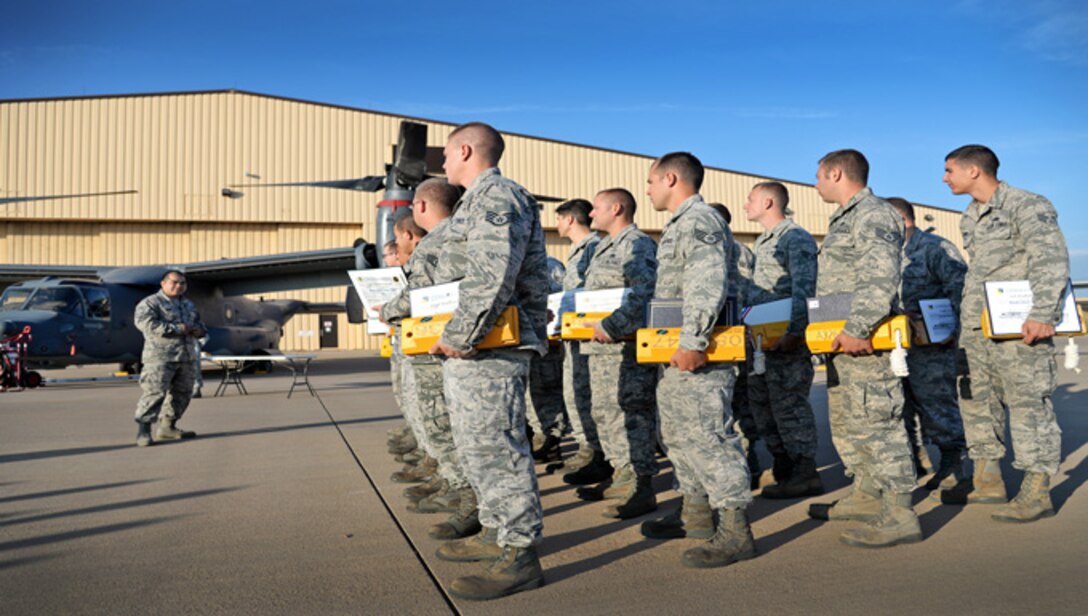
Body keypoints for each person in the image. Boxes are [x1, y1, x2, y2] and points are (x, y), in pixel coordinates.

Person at [427, 122, 547, 600]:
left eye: (446, 154)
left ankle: (520, 555)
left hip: (490, 348)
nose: (442, 163)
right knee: (478, 447)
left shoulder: (497, 197)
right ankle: (498, 533)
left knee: (497, 449)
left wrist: (458, 335)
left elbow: (491, 276)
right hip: (478, 346)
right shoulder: (475, 201)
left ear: (465, 149)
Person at [638, 152, 756, 569]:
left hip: (697, 352)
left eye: (651, 181)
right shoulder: (679, 224)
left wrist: (694, 340)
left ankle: (736, 531)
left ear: (670, 178)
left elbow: (708, 284)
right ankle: (696, 513)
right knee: (680, 436)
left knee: (709, 437)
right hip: (675, 353)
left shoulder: (699, 220)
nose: (648, 189)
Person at [942, 145, 1068, 522]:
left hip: (1019, 328)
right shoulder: (971, 216)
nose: (945, 178)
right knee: (977, 401)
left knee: (1028, 403)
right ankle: (989, 481)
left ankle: (1036, 491)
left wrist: (1043, 313)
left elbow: (1051, 257)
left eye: (950, 171)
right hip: (979, 328)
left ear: (974, 171)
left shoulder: (1026, 204)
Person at [806, 149, 921, 548]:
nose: (815, 183)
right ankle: (867, 495)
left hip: (863, 342)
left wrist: (858, 328)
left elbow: (879, 277)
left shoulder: (872, 213)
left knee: (879, 424)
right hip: (842, 342)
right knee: (852, 424)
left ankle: (901, 514)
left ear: (836, 173)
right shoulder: (847, 217)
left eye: (818, 175)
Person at [380, 179, 480, 537]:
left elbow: (419, 296)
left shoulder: (439, 241)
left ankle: (465, 495)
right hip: (441, 344)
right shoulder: (460, 236)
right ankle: (454, 485)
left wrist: (387, 309)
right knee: (443, 424)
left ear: (421, 208)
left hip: (438, 347)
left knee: (442, 423)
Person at [576, 187, 659, 518]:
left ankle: (641, 484)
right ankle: (621, 474)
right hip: (601, 350)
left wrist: (613, 325)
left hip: (625, 348)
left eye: (596, 209)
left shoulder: (636, 244)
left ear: (617, 208)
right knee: (606, 412)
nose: (591, 215)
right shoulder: (604, 247)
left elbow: (645, 292)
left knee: (632, 414)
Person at [741, 182, 823, 499]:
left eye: (751, 199)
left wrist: (796, 331)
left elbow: (806, 287)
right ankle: (784, 467)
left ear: (769, 201)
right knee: (764, 405)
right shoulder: (764, 242)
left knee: (790, 405)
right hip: (762, 336)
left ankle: (805, 472)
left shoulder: (794, 237)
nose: (746, 204)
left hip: (785, 337)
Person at [886, 197, 970, 492]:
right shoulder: (886, 254)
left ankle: (953, 465)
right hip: (895, 346)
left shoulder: (935, 247)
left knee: (937, 406)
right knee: (900, 409)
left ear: (900, 219)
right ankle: (914, 462)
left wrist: (954, 330)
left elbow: (961, 291)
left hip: (931, 346)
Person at [553, 199, 608, 484]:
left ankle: (597, 452)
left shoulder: (594, 249)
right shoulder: (578, 252)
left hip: (590, 336)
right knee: (575, 395)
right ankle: (588, 447)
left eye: (560, 219)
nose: (557, 225)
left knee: (590, 397)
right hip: (574, 335)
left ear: (571, 219)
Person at [708, 202, 762, 487]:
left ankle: (737, 466)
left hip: (717, 337)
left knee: (722, 403)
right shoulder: (745, 251)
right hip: (743, 333)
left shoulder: (708, 249)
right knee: (743, 399)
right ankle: (749, 461)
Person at [132, 270, 206, 447]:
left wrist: (200, 331)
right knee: (155, 392)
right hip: (160, 357)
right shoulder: (150, 303)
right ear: (163, 284)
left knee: (183, 393)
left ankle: (168, 427)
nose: (179, 286)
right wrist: (176, 329)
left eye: (182, 283)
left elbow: (200, 324)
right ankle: (144, 431)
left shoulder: (188, 305)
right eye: (174, 282)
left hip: (186, 356)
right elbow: (146, 324)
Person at [525, 256, 568, 463]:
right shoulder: (519, 262)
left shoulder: (551, 266)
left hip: (547, 341)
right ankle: (541, 440)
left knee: (547, 392)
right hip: (526, 341)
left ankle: (551, 442)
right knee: (530, 396)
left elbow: (560, 299)